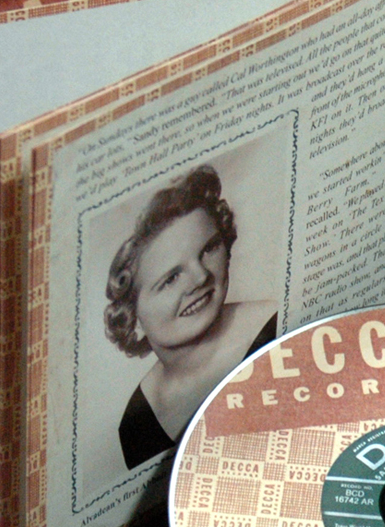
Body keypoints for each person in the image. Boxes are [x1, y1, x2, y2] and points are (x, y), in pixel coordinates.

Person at [104, 166, 276, 470]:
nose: (200, 277)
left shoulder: (276, 328)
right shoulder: (138, 421)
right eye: (171, 279)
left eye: (208, 249)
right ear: (132, 319)